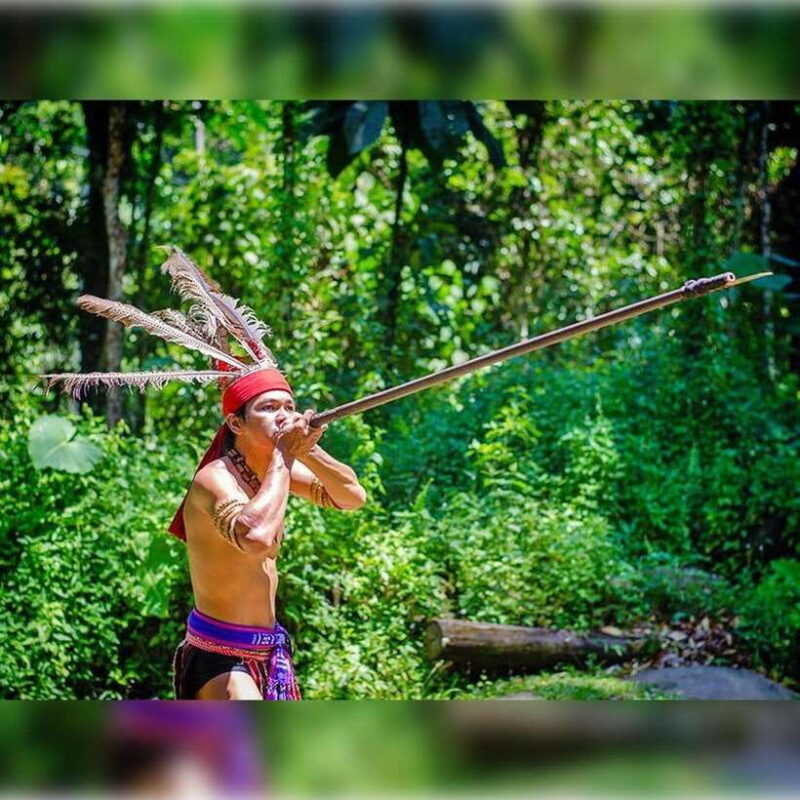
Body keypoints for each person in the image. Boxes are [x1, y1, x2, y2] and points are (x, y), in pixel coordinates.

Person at [170, 368, 366, 700]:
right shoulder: (214, 480)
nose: (283, 416)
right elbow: (256, 538)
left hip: (269, 650)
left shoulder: (277, 468)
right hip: (220, 654)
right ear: (236, 424)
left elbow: (352, 497)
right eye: (269, 408)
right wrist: (285, 455)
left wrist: (307, 450)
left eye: (289, 407)